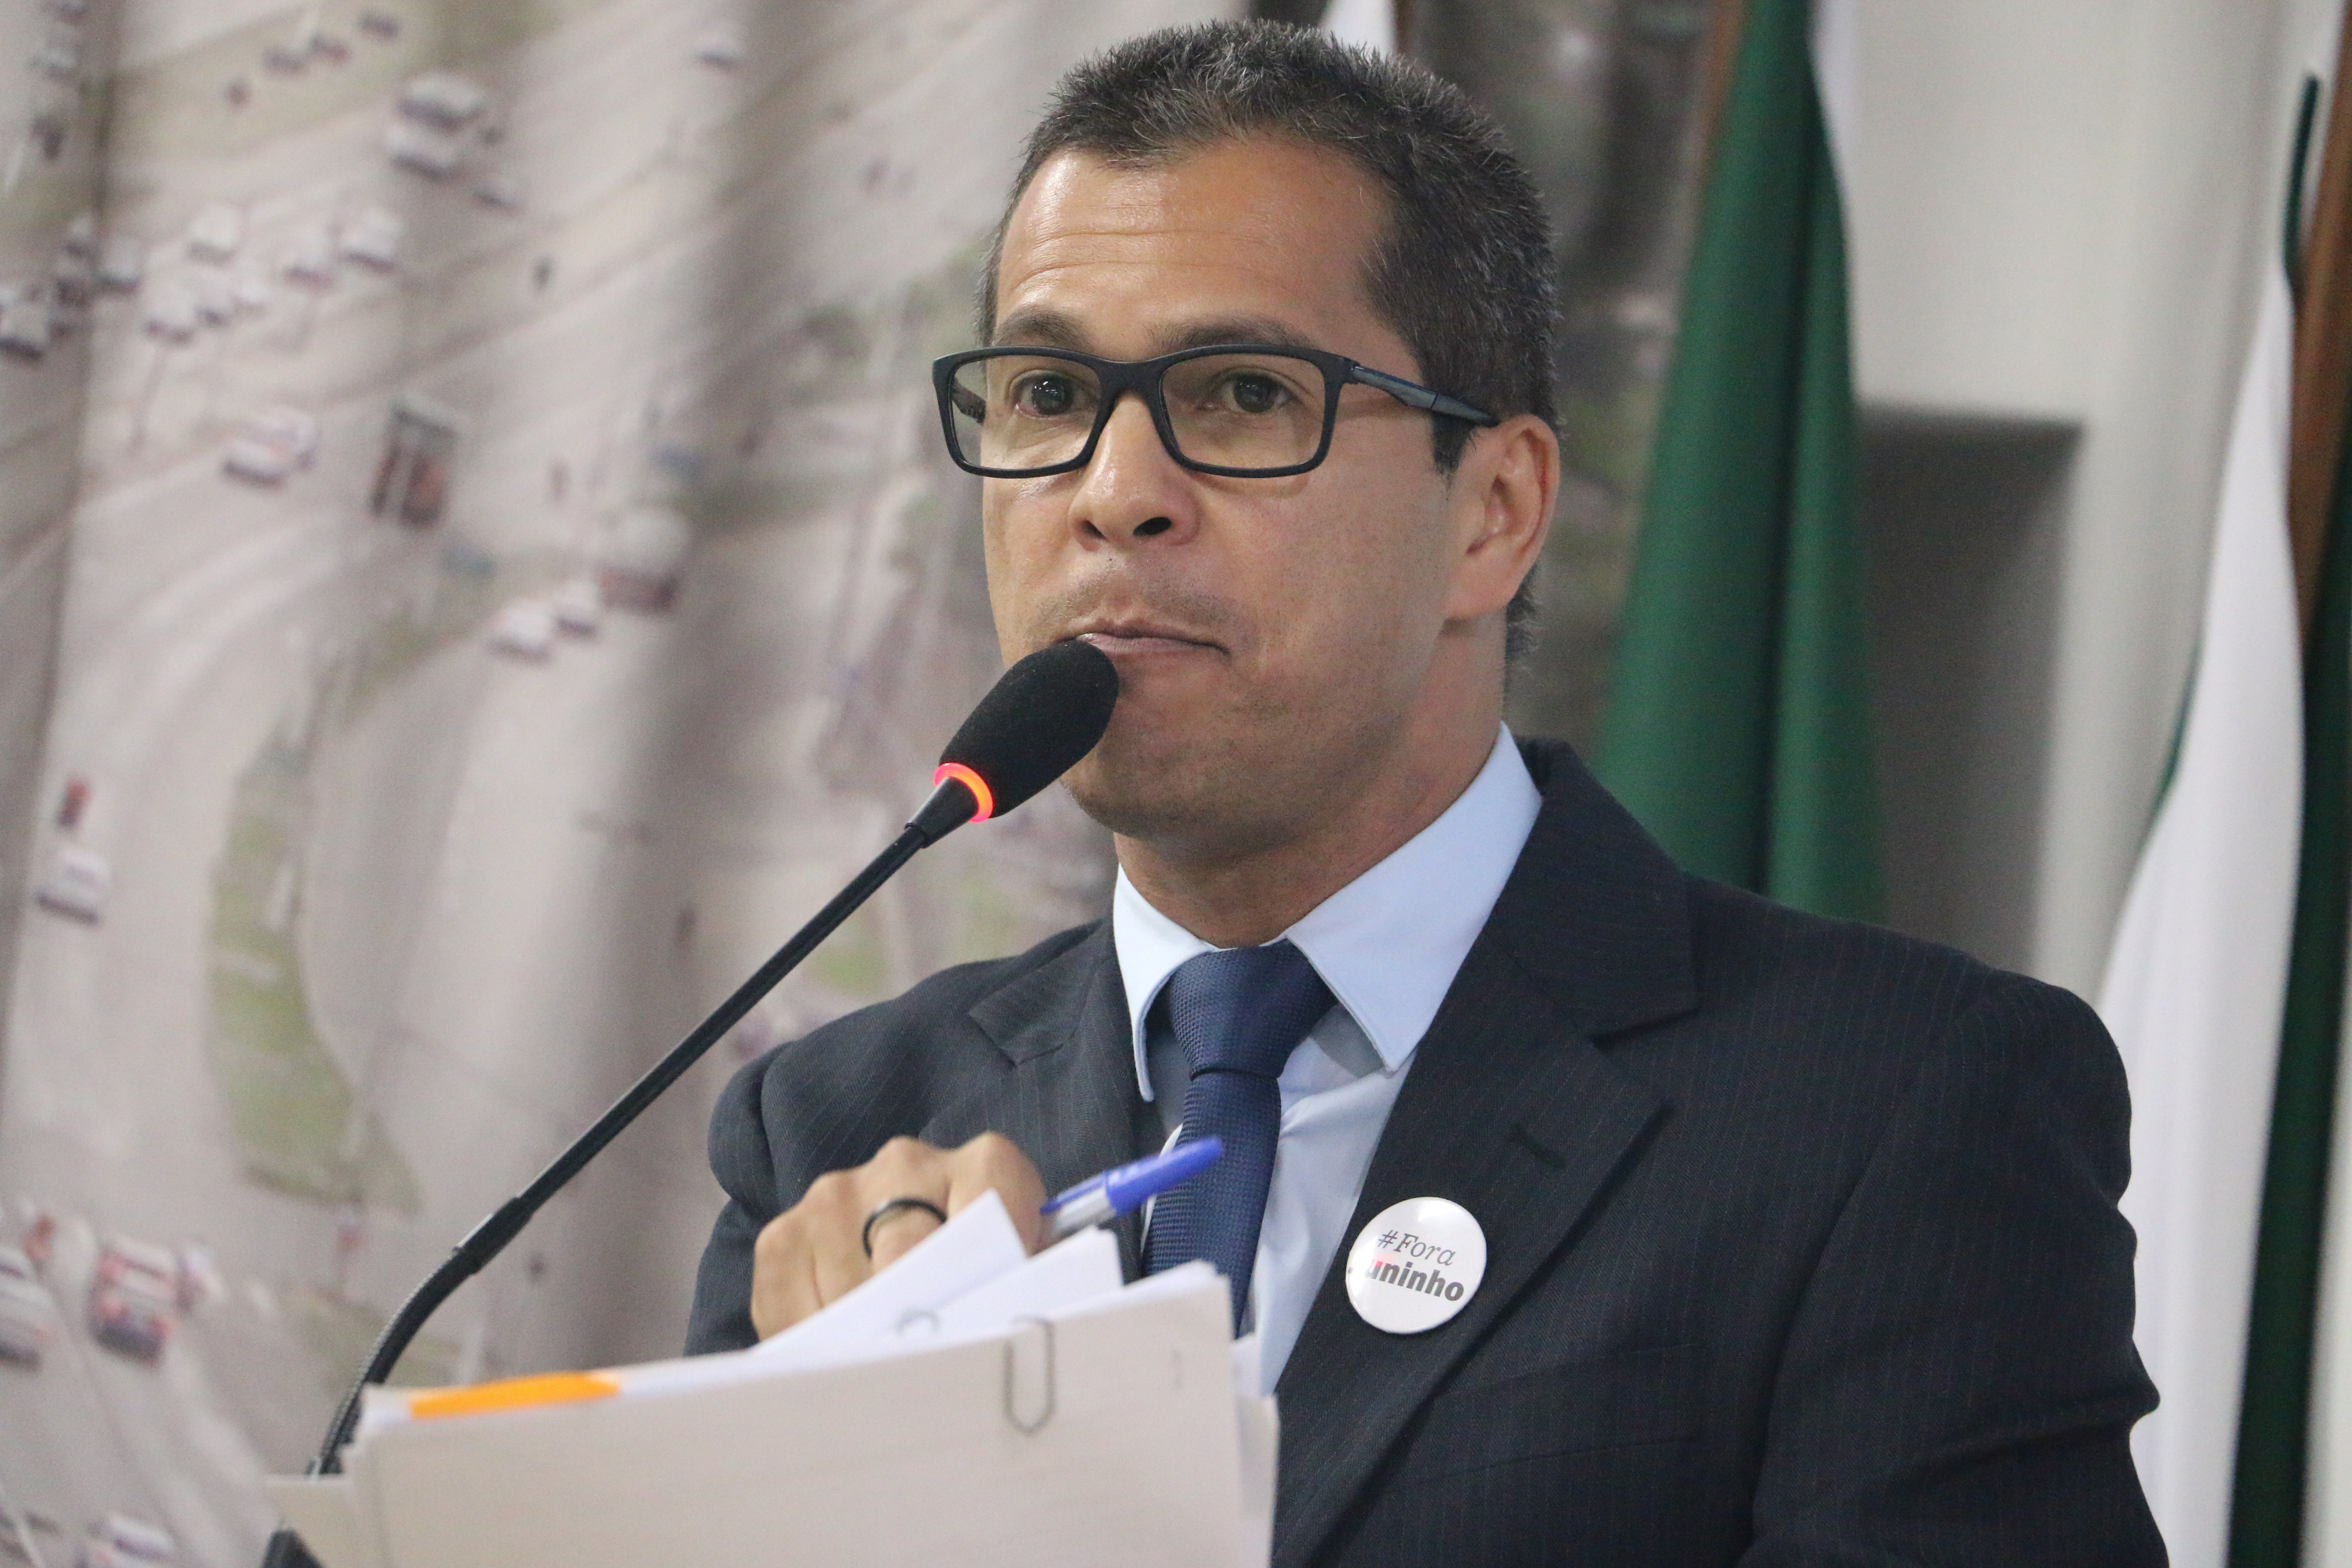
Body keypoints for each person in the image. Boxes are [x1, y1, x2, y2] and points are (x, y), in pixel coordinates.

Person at [686, 20, 2161, 1565]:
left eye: (1243, 394)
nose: (1114, 493)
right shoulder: (840, 1133)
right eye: (1048, 391)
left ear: (1496, 513)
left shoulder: (1894, 1108)